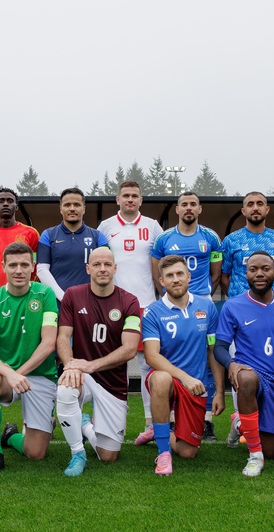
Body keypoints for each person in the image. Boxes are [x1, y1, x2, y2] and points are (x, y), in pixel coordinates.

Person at [214, 252, 274, 477]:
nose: (259, 274)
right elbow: (219, 347)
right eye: (253, 269)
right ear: (245, 273)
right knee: (247, 378)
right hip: (249, 376)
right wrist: (231, 364)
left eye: (265, 269)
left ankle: (239, 423)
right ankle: (255, 456)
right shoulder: (233, 306)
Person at [55, 247, 140, 476]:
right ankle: (77, 453)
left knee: (108, 456)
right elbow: (63, 337)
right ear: (88, 268)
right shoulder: (72, 295)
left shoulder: (130, 301)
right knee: (65, 387)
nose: (102, 269)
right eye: (97, 265)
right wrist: (70, 364)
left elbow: (130, 348)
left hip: (112, 382)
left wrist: (92, 365)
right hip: (82, 374)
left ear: (115, 268)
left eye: (107, 265)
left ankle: (84, 424)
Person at [0, 242, 58, 475]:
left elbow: (49, 343)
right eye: (13, 265)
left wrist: (18, 373)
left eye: (24, 264)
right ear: (3, 267)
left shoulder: (45, 294)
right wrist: (10, 374)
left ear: (32, 267)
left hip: (40, 375)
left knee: (36, 453)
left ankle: (11, 436)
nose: (19, 270)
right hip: (7, 376)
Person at [152, 191, 224, 441]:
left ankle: (206, 421)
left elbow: (216, 273)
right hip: (171, 304)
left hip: (202, 303)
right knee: (173, 356)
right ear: (178, 210)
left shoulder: (211, 237)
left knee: (207, 356)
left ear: (200, 209)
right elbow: (157, 273)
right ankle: (169, 420)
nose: (189, 208)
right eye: (184, 204)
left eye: (193, 204)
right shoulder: (164, 239)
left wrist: (204, 296)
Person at [141, 255, 223, 476]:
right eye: (169, 276)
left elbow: (212, 351)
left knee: (188, 452)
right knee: (160, 377)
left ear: (188, 276)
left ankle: (157, 431)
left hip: (196, 387)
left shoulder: (207, 307)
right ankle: (163, 451)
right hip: (169, 382)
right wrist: (184, 378)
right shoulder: (152, 312)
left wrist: (219, 391)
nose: (175, 279)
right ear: (161, 281)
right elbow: (151, 356)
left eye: (179, 274)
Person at [98, 180, 163, 446]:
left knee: (149, 363)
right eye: (126, 195)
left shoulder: (153, 226)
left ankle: (151, 423)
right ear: (117, 199)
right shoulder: (105, 227)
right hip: (112, 305)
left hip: (145, 304)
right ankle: (114, 422)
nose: (130, 200)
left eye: (135, 196)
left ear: (141, 200)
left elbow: (160, 264)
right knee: (115, 364)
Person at [37, 187, 108, 302]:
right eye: (67, 205)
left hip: (90, 302)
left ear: (84, 209)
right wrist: (63, 297)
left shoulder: (98, 236)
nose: (72, 209)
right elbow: (42, 270)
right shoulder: (48, 235)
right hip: (58, 302)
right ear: (60, 209)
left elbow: (105, 268)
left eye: (77, 204)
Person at [221, 191, 274, 297]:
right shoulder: (231, 240)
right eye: (250, 204)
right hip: (242, 307)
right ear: (243, 211)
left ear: (267, 209)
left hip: (273, 306)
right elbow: (223, 277)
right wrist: (237, 297)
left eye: (260, 204)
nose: (255, 208)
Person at [0, 187, 39, 297]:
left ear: (16, 207)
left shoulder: (31, 233)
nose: (5, 204)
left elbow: (34, 268)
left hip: (22, 297)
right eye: (1, 201)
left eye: (10, 201)